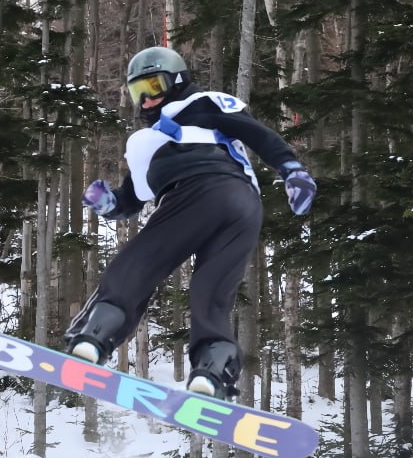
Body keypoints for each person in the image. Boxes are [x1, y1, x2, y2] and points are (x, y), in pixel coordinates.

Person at [63, 46, 316, 399]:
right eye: (139, 93)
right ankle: (212, 371)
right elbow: (131, 199)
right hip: (243, 208)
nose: (147, 100)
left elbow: (255, 133)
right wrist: (107, 204)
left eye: (154, 86)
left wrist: (291, 168)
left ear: (177, 80)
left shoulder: (202, 105)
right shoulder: (143, 146)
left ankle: (93, 336)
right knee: (211, 294)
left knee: (137, 264)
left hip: (202, 191)